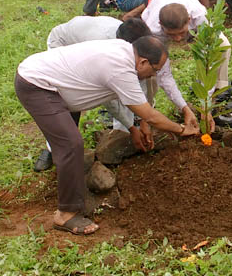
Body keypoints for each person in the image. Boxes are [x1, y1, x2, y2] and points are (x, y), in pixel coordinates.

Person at [16, 36, 197, 235]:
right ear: (143, 62)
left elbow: (120, 101)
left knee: (67, 141)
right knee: (70, 144)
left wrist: (135, 127)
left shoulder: (125, 51)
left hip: (57, 84)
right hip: (37, 84)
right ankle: (65, 214)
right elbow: (150, 115)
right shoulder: (120, 68)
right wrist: (181, 129)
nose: (153, 75)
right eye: (154, 70)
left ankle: (69, 180)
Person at [37, 16, 155, 171]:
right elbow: (108, 97)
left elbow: (139, 83)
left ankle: (122, 140)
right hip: (62, 44)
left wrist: (144, 119)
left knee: (126, 85)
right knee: (68, 100)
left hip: (85, 42)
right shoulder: (104, 46)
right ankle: (52, 149)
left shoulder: (135, 38)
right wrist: (132, 127)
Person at [141, 0, 232, 131]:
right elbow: (164, 75)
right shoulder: (153, 28)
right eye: (172, 34)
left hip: (191, 16)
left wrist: (205, 104)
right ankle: (146, 110)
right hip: (156, 16)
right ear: (161, 25)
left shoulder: (200, 16)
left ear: (189, 21)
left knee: (222, 45)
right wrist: (184, 108)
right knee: (150, 68)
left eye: (181, 33)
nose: (178, 39)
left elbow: (209, 61)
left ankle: (216, 98)